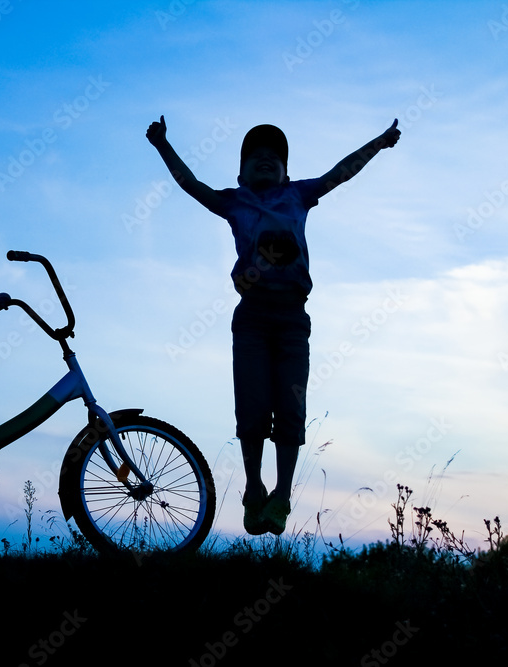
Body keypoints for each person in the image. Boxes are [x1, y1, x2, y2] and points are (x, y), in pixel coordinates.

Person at [146, 115, 401, 535]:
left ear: (287, 172)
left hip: (292, 320)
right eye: (255, 156)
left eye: (274, 157)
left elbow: (341, 172)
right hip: (251, 319)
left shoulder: (298, 195)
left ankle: (281, 494)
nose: (265, 159)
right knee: (251, 406)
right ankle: (253, 487)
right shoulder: (234, 202)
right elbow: (191, 184)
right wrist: (162, 146)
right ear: (241, 174)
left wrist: (378, 142)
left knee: (290, 407)